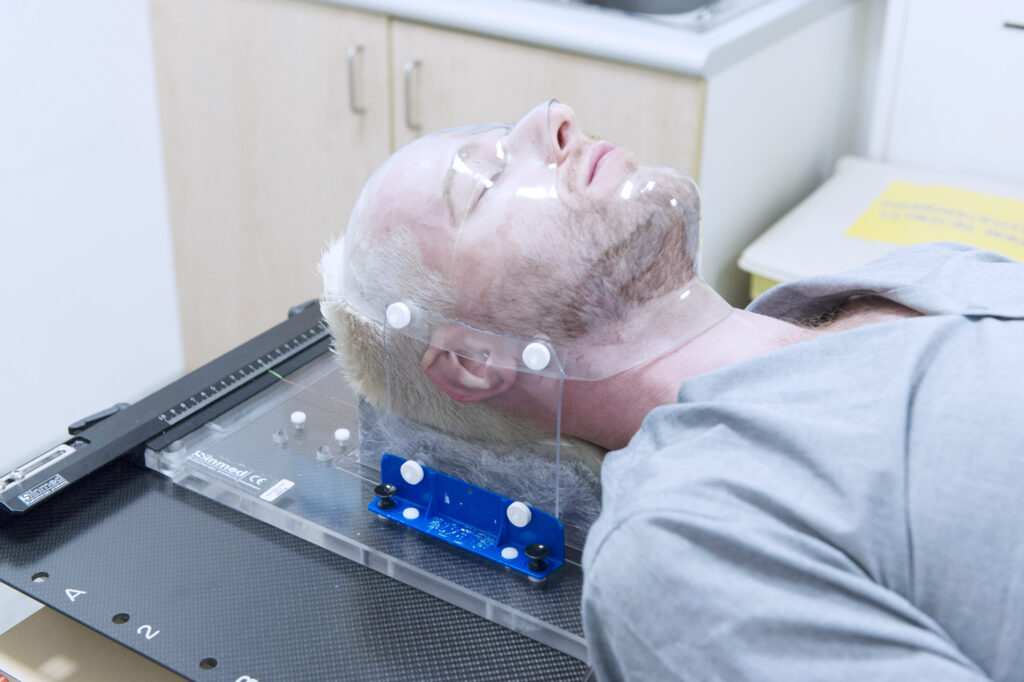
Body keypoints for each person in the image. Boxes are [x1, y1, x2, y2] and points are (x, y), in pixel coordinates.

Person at [320, 100, 1024, 681]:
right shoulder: (682, 545)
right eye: (481, 182)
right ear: (475, 363)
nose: (553, 117)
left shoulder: (928, 271)